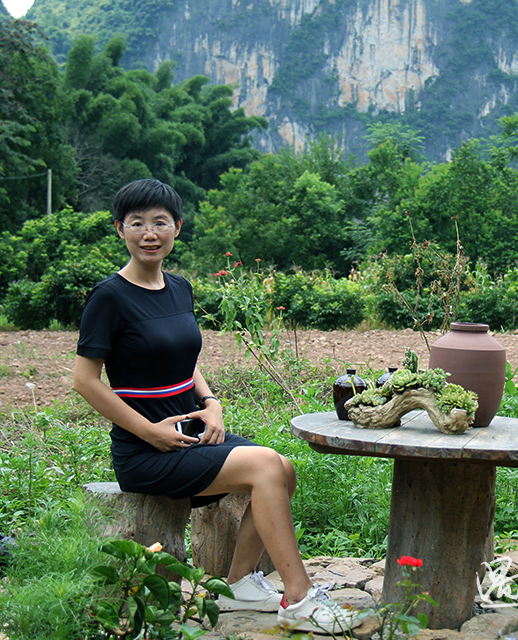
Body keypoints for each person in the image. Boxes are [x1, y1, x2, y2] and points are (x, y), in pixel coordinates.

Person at [73, 179, 355, 634]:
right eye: (137, 223)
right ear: (119, 229)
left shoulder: (179, 288)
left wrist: (211, 402)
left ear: (177, 227)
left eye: (160, 222)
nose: (149, 233)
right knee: (266, 466)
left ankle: (239, 583)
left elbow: (185, 360)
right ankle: (300, 597)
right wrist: (150, 432)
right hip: (145, 452)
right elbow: (85, 381)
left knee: (283, 469)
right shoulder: (109, 297)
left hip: (191, 435)